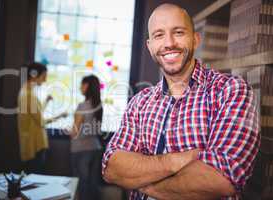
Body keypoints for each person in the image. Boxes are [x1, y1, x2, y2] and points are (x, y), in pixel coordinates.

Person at [102, 3, 260, 200]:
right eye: (159, 35)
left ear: (195, 39)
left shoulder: (231, 91)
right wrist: (180, 160)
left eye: (178, 32)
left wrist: (142, 181)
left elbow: (222, 177)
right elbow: (112, 167)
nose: (169, 43)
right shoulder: (139, 103)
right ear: (150, 46)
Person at [18, 62, 67, 173]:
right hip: (34, 144)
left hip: (31, 143)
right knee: (34, 177)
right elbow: (41, 121)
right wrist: (60, 116)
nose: (45, 80)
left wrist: (46, 101)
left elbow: (35, 115)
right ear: (34, 75)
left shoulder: (25, 91)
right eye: (44, 76)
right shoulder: (29, 95)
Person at [67, 75, 103, 200]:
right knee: (93, 183)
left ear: (87, 86)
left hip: (80, 149)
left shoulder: (82, 106)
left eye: (82, 84)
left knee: (81, 184)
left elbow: (74, 132)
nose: (80, 87)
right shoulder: (98, 106)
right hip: (95, 147)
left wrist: (66, 129)